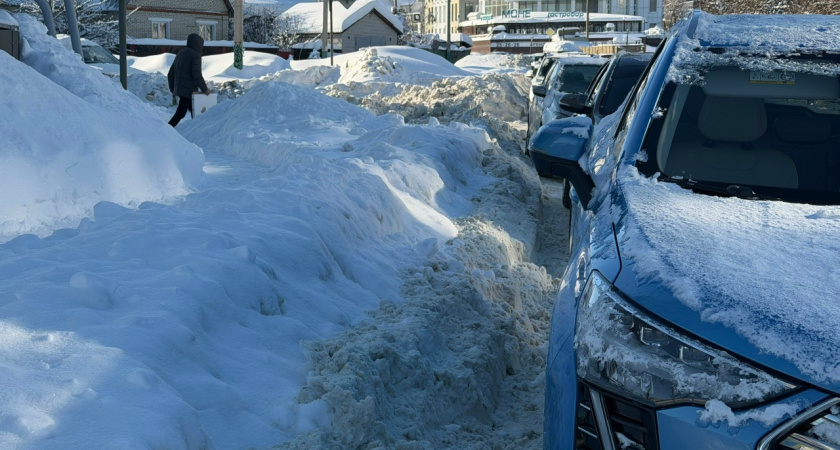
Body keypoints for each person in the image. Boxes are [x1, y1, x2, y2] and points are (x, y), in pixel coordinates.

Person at [168, 33, 212, 127]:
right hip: (188, 90)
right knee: (182, 112)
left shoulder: (180, 53)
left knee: (193, 111)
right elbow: (197, 74)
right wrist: (205, 89)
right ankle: (166, 129)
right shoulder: (195, 55)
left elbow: (170, 73)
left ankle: (195, 129)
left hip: (181, 89)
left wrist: (173, 88)